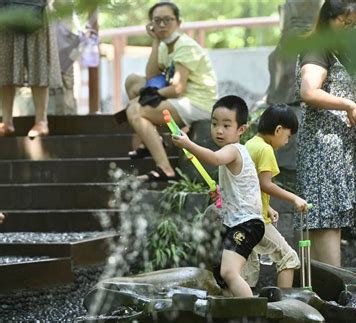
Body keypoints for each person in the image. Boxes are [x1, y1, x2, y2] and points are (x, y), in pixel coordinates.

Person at [295, 0, 356, 267]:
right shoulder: (316, 48)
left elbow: (348, 94)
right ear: (327, 19)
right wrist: (347, 106)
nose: (349, 29)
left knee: (331, 215)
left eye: (354, 24)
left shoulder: (340, 51)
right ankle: (333, 282)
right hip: (322, 146)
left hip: (340, 146)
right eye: (344, 23)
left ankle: (323, 284)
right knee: (326, 215)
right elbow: (309, 91)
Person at [171, 95, 264, 297]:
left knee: (229, 272)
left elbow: (213, 159)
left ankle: (253, 314)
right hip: (235, 223)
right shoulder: (230, 151)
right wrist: (222, 197)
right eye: (214, 124)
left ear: (241, 129)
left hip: (247, 224)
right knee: (221, 273)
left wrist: (188, 144)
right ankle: (235, 310)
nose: (219, 130)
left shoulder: (233, 150)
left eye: (226, 125)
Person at [125, 2, 217, 181]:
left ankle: (165, 169)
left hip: (197, 103)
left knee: (135, 109)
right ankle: (151, 138)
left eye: (167, 20)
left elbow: (177, 88)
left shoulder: (185, 46)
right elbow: (151, 76)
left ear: (178, 22)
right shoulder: (164, 45)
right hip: (180, 97)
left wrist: (148, 98)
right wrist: (155, 41)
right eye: (157, 20)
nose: (162, 25)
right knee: (132, 82)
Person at [241, 105, 308, 288]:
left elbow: (251, 184)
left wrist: (268, 207)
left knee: (248, 271)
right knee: (288, 258)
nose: (287, 142)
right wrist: (294, 198)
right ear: (278, 130)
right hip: (257, 221)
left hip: (244, 219)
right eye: (288, 136)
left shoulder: (250, 144)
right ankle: (284, 308)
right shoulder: (265, 150)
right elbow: (266, 184)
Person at [0, 0, 62, 138]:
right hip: (5, 8)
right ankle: (6, 122)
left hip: (37, 8)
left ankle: (41, 121)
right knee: (4, 63)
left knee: (39, 62)